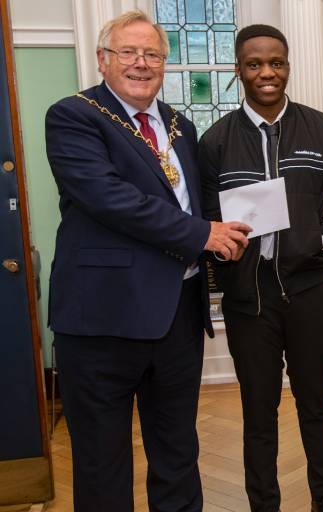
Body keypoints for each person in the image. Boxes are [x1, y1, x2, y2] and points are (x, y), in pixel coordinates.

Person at [44, 10, 250, 511]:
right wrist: (205, 234)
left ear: (164, 63)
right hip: (102, 318)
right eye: (128, 53)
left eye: (152, 54)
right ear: (102, 60)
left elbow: (194, 199)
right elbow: (111, 199)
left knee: (178, 449)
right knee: (101, 458)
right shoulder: (73, 116)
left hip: (177, 311)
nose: (141, 64)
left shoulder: (179, 125)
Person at [199, 25, 323, 512]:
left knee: (316, 403)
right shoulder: (215, 142)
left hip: (310, 289)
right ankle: (263, 503)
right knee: (258, 410)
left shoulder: (322, 129)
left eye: (276, 62)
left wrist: (319, 236)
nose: (266, 73)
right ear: (239, 70)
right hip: (248, 298)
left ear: (288, 65)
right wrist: (221, 245)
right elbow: (204, 221)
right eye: (254, 64)